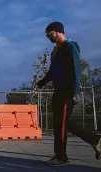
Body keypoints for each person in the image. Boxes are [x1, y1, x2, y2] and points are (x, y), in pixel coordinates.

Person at [35, 21, 101, 166]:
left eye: (50, 34)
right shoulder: (54, 52)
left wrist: (75, 91)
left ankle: (63, 156)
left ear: (58, 32)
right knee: (59, 125)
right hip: (58, 92)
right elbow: (53, 71)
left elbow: (76, 69)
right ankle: (64, 153)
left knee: (63, 124)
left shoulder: (70, 47)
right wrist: (41, 82)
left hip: (67, 91)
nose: (49, 38)